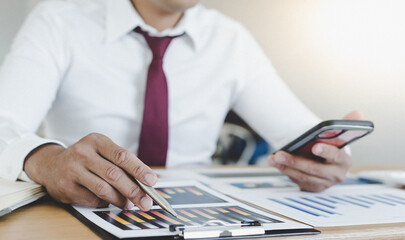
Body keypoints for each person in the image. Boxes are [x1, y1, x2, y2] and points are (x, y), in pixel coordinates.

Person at [0, 0, 361, 212]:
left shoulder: (230, 39)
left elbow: (302, 138)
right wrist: (48, 161)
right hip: (86, 209)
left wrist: (326, 159)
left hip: (195, 214)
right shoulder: (59, 19)